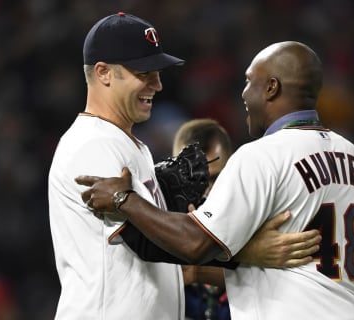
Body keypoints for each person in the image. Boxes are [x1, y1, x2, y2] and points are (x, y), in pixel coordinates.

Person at [76, 41, 354, 319]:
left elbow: (195, 243)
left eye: (250, 81)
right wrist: (248, 253)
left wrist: (124, 199)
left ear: (272, 88)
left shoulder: (263, 155)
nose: (245, 93)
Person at [49, 11, 321, 319]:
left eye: (158, 72)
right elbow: (146, 244)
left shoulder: (126, 145)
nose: (158, 84)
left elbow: (161, 262)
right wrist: (247, 250)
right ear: (103, 73)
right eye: (144, 73)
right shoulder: (93, 144)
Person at [172, 119, 233, 320]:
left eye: (214, 178)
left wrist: (197, 273)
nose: (205, 192)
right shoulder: (157, 229)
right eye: (193, 179)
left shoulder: (255, 226)